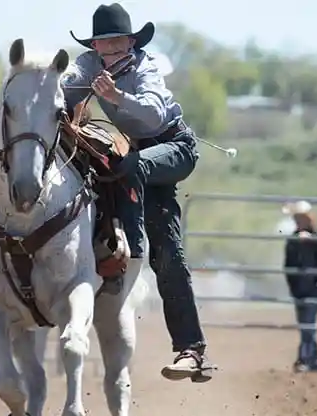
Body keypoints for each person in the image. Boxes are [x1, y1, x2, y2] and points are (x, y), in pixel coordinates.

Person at [63, 3, 215, 382]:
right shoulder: (87, 65)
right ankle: (190, 350)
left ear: (131, 42)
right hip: (135, 161)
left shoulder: (147, 67)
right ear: (95, 46)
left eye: (117, 44)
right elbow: (64, 87)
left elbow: (155, 116)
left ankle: (130, 252)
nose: (111, 51)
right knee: (170, 253)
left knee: (135, 167)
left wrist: (116, 98)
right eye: (104, 44)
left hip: (174, 148)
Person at [282, 201, 317, 373]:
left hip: (314, 287)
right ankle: (313, 359)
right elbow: (288, 264)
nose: (298, 220)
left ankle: (305, 359)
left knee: (307, 324)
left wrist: (310, 241)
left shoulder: (316, 237)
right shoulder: (293, 239)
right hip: (300, 288)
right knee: (306, 325)